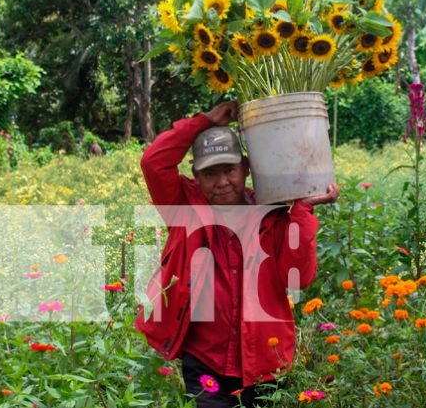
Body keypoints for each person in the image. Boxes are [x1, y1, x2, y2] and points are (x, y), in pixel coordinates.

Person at [135, 100, 339, 407]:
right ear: (195, 176)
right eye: (210, 174)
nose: (221, 183)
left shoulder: (274, 214)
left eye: (229, 170)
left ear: (246, 168)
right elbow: (154, 162)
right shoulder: (184, 208)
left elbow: (299, 278)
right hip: (206, 365)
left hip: (266, 367)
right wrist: (204, 120)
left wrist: (303, 210)